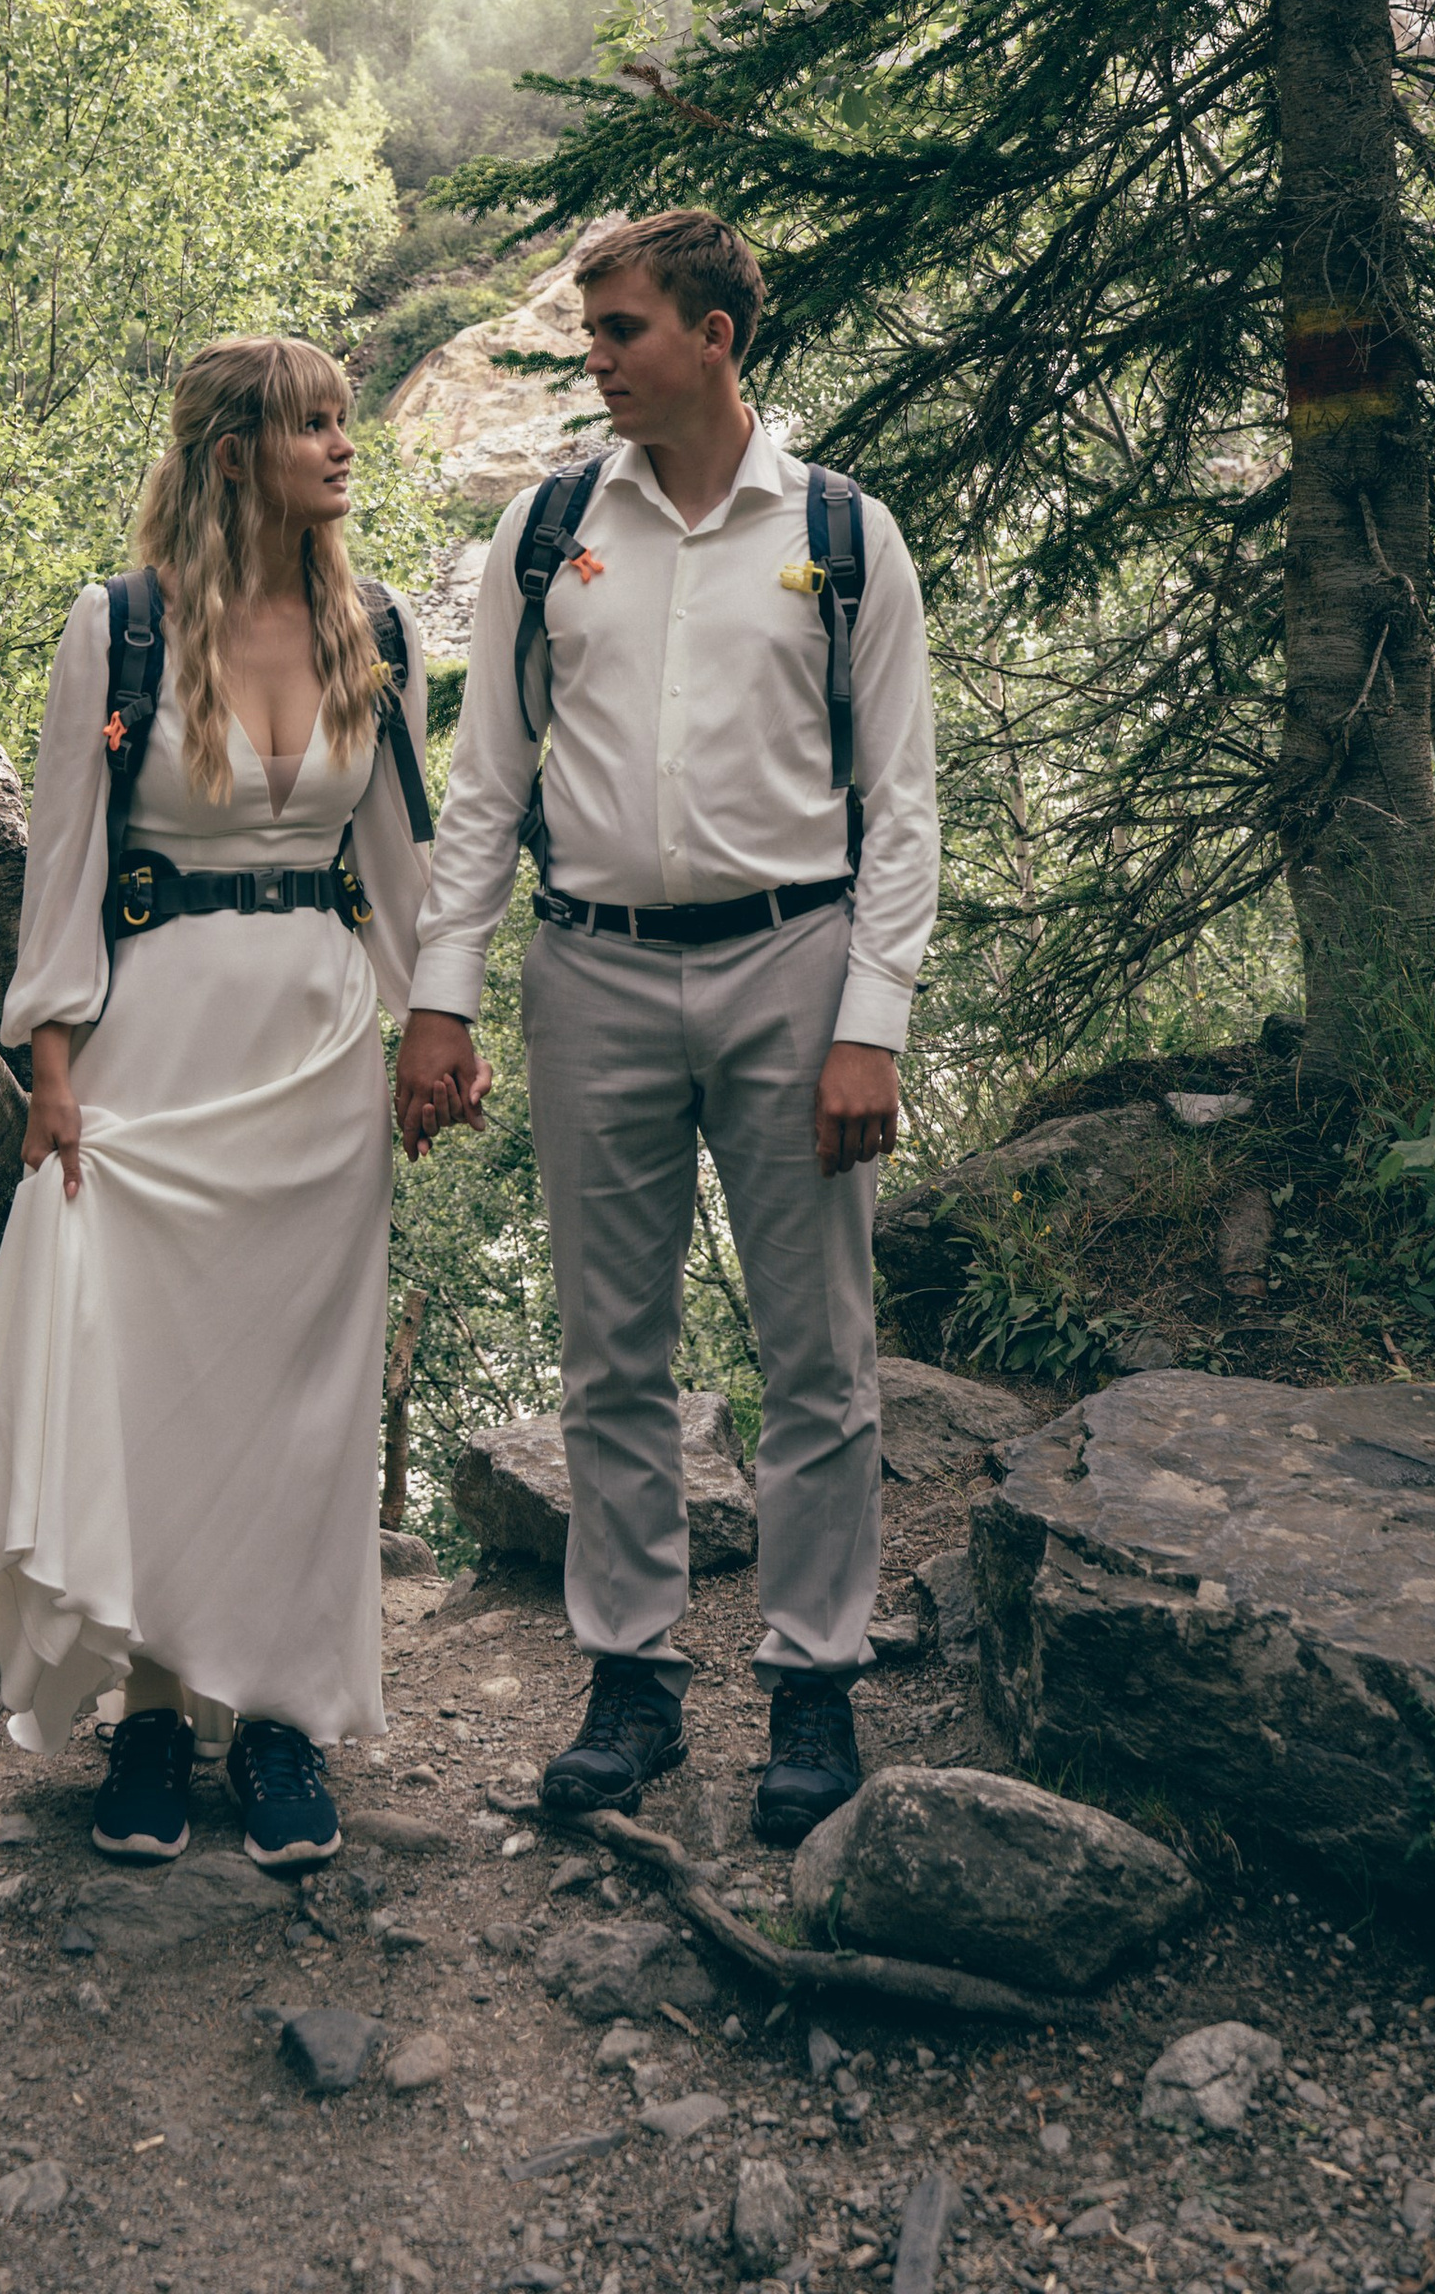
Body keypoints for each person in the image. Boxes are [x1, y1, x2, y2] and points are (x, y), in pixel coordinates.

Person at [394, 209, 937, 1848]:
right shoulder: (550, 527)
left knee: (817, 1351)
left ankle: (814, 1685)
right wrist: (441, 996)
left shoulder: (841, 533)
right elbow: (486, 781)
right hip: (594, 972)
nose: (596, 359)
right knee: (609, 1349)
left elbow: (902, 807)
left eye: (621, 328)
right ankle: (629, 1685)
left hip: (795, 964)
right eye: (589, 331)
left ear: (715, 336)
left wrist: (873, 1022)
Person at [0, 337, 431, 1873]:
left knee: (305, 1399)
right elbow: (67, 857)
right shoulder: (123, 628)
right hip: (154, 1046)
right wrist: (50, 1065)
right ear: (231, 455)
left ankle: (279, 1718)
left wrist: (439, 1023)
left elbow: (406, 853)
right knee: (150, 1380)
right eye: (312, 425)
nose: (343, 446)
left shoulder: (376, 627)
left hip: (319, 1053)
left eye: (346, 421)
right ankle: (150, 1706)